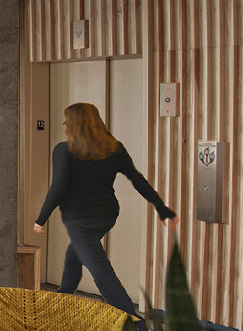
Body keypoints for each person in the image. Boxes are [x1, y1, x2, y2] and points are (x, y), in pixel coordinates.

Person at [32, 102, 177, 314]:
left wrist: (41, 219)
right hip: (107, 215)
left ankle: (135, 326)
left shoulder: (64, 150)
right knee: (74, 254)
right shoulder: (114, 148)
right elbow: (137, 180)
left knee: (101, 271)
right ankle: (61, 301)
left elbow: (59, 187)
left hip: (78, 218)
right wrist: (163, 209)